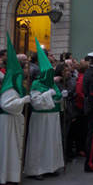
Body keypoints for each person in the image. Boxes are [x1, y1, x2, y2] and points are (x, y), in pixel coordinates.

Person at [24, 38, 65, 181]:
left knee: (52, 143)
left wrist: (60, 95)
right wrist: (50, 94)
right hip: (41, 118)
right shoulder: (36, 84)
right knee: (39, 143)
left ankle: (51, 166)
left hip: (52, 117)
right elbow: (36, 102)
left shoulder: (52, 84)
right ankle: (36, 169)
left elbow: (57, 98)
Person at [0, 33, 31, 184]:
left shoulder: (14, 87)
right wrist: (22, 100)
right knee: (8, 150)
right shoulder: (9, 88)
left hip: (13, 120)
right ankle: (6, 176)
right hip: (8, 121)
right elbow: (6, 105)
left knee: (13, 150)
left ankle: (12, 175)